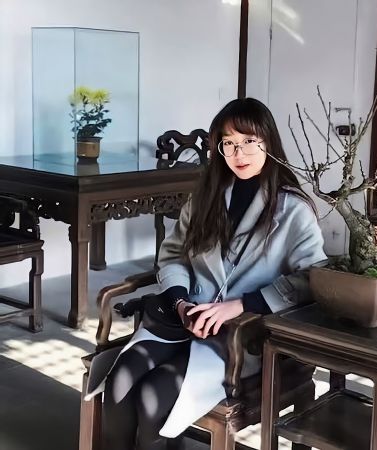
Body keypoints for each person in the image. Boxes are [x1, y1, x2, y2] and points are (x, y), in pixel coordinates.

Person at [84, 97, 326, 450]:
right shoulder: (206, 198)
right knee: (120, 380)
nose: (238, 153)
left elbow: (312, 278)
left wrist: (242, 305)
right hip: (180, 322)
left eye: (249, 141)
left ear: (269, 143)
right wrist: (180, 302)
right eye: (228, 143)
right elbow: (172, 256)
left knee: (153, 396)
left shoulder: (293, 209)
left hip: (240, 338)